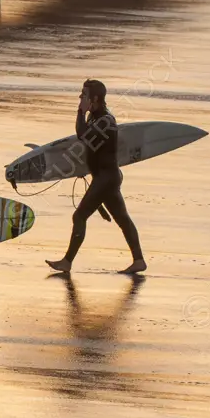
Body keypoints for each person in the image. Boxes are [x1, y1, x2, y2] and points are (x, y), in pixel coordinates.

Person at [46, 80, 146, 275]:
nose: (80, 98)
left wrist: (80, 113)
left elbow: (83, 136)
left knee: (79, 215)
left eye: (84, 94)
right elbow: (90, 146)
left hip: (106, 179)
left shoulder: (106, 121)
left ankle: (67, 262)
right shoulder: (96, 118)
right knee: (123, 219)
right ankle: (139, 260)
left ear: (95, 99)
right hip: (104, 177)